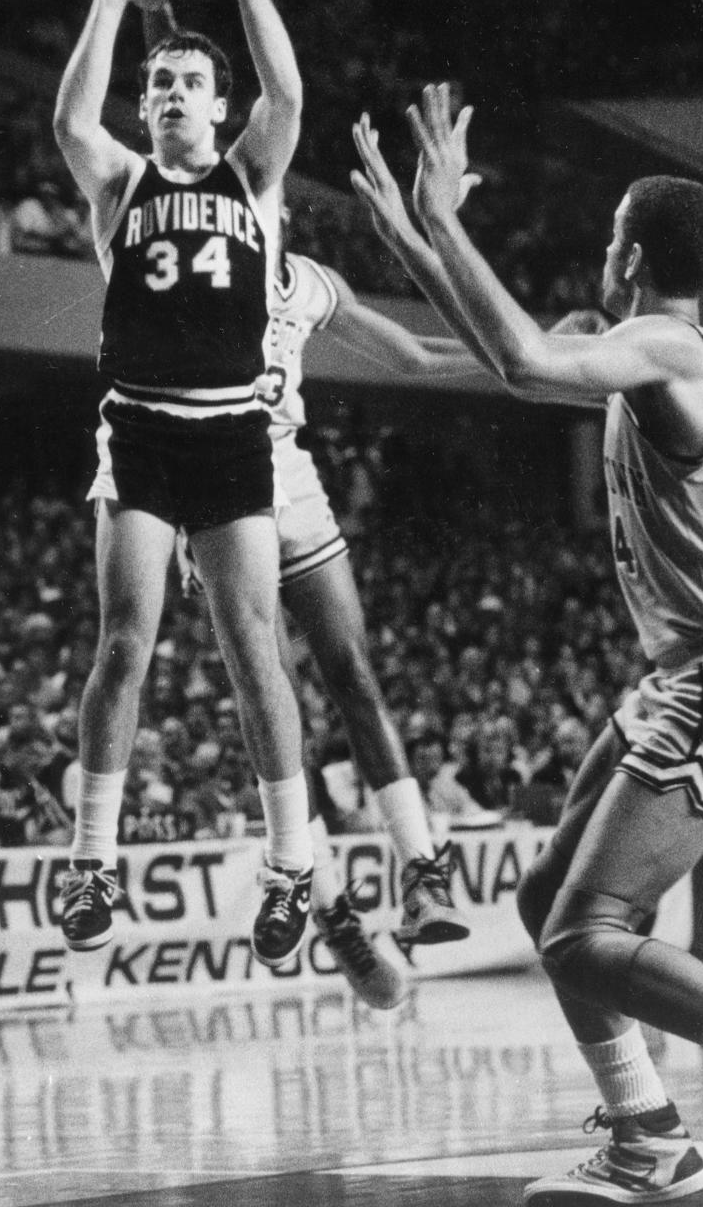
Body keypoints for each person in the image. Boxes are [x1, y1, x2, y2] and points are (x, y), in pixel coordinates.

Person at [352, 87, 703, 1205]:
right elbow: (488, 353)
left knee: (585, 931)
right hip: (691, 676)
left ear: (629, 252)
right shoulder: (632, 345)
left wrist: (447, 219)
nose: (599, 249)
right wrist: (416, 240)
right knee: (546, 902)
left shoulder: (665, 345)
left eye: (609, 232)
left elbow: (519, 356)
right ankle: (647, 1135)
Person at [52, 0, 314, 967]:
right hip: (146, 429)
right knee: (125, 641)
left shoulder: (255, 174)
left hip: (233, 435)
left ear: (217, 105)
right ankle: (91, 860)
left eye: (186, 83)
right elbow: (71, 115)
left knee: (256, 644)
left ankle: (291, 867)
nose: (166, 94)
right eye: (156, 83)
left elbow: (289, 95)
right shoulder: (119, 185)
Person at [175, 223, 481, 1008]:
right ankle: (334, 912)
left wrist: (526, 354)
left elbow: (413, 355)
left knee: (354, 672)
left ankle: (423, 873)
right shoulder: (190, 278)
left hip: (291, 478)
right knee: (275, 701)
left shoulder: (309, 281)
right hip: (216, 486)